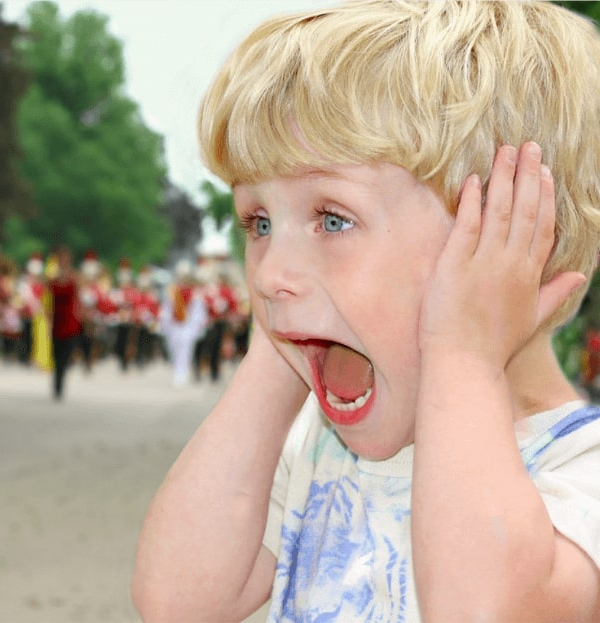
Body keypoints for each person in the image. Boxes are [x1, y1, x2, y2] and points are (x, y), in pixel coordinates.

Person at [132, 3, 600, 622]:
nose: (270, 275)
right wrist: (276, 357)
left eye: (332, 219)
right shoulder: (317, 449)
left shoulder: (581, 470)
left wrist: (463, 356)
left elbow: (481, 610)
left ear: (512, 243)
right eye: (259, 223)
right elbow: (178, 602)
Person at [159, 259, 207, 388]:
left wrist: (197, 325)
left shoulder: (195, 292)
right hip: (174, 325)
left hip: (188, 325)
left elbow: (199, 311)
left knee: (186, 349)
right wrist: (164, 322)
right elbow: (167, 309)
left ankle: (183, 372)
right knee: (174, 348)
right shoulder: (172, 291)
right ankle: (176, 370)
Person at [47, 246, 83, 400]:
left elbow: (78, 300)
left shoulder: (75, 278)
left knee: (66, 353)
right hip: (57, 319)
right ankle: (57, 382)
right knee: (56, 354)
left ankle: (61, 381)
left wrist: (80, 317)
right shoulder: (52, 280)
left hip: (70, 320)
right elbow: (48, 302)